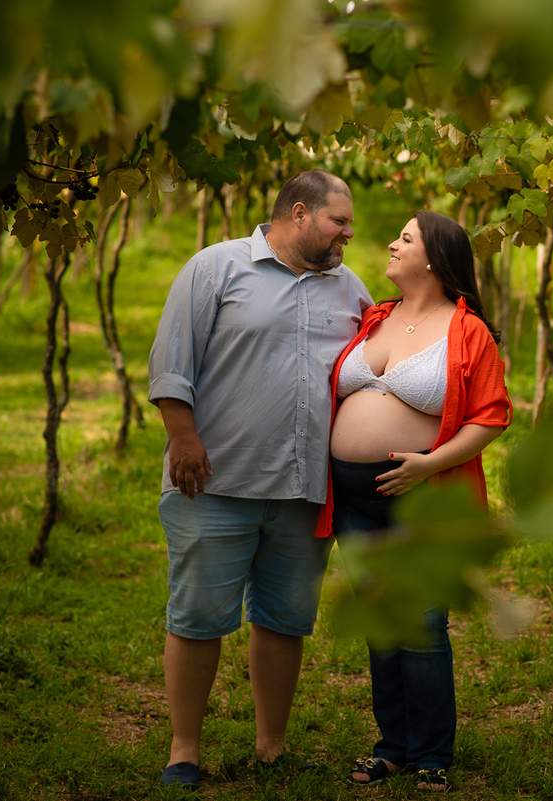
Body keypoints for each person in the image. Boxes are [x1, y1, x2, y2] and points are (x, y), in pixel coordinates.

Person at [147, 170, 373, 787]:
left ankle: (271, 746)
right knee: (197, 618)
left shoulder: (351, 289)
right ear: (298, 214)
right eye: (339, 221)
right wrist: (183, 440)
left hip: (305, 490)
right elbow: (172, 363)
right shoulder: (215, 269)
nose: (349, 234)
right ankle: (183, 751)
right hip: (214, 482)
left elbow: (375, 371)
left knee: (284, 619)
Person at [317, 210, 511, 792]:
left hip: (420, 499)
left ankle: (432, 753)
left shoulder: (465, 329)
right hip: (352, 499)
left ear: (434, 259)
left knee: (422, 627)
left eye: (405, 238)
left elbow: (491, 415)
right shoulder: (375, 316)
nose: (392, 244)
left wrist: (430, 464)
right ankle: (392, 747)